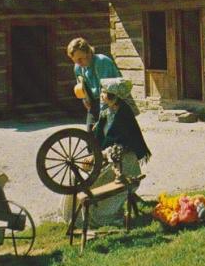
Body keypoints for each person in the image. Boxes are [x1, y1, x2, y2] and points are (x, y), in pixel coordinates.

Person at [62, 77, 150, 228]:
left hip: (124, 163)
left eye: (104, 93)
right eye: (102, 92)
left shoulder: (124, 115)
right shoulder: (107, 111)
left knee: (93, 179)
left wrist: (101, 156)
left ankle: (99, 216)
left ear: (114, 96)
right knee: (76, 175)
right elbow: (100, 138)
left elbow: (121, 145)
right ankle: (73, 215)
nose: (101, 95)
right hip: (108, 157)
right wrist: (94, 153)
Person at [67, 37, 121, 132]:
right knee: (90, 134)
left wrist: (102, 119)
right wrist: (85, 99)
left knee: (107, 133)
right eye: (75, 60)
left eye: (80, 59)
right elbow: (81, 86)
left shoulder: (102, 62)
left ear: (88, 52)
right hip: (94, 103)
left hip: (113, 101)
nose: (78, 63)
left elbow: (108, 90)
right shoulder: (78, 68)